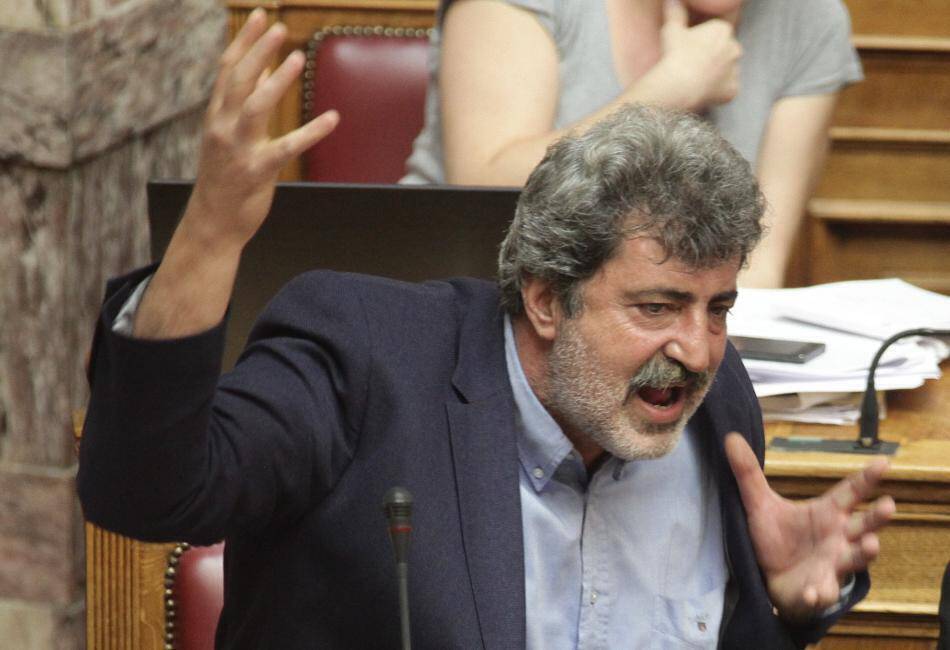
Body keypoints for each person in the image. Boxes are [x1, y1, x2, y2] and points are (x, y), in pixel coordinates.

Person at [78, 11, 894, 648]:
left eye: (717, 309)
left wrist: (785, 609)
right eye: (656, 307)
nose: (696, 349)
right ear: (546, 300)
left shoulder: (718, 409)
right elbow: (146, 493)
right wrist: (209, 236)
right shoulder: (365, 360)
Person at [401, 0, 863, 288]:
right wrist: (668, 91)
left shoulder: (810, 17)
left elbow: (758, 266)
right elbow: (482, 186)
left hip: (667, 331)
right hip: (469, 292)